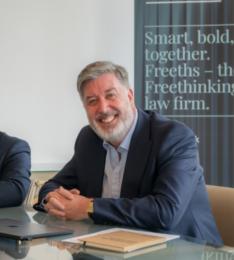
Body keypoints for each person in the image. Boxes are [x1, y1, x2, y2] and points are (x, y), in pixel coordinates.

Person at [34, 61, 223, 244]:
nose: (103, 108)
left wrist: (87, 207)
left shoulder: (173, 137)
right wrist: (53, 201)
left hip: (185, 249)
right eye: (92, 101)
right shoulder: (88, 139)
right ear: (85, 108)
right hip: (112, 246)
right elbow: (54, 185)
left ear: (130, 97)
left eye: (110, 96)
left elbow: (166, 212)